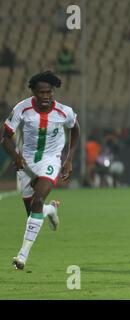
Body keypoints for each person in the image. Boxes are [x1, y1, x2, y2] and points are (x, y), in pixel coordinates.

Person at [1, 71, 80, 270]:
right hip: (26, 163)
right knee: (33, 212)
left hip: (50, 159)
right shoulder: (22, 108)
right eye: (41, 92)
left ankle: (22, 255)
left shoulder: (64, 112)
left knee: (37, 200)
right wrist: (16, 157)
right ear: (34, 92)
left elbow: (76, 129)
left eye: (49, 92)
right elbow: (5, 138)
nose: (46, 96)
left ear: (53, 92)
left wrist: (69, 159)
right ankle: (51, 210)